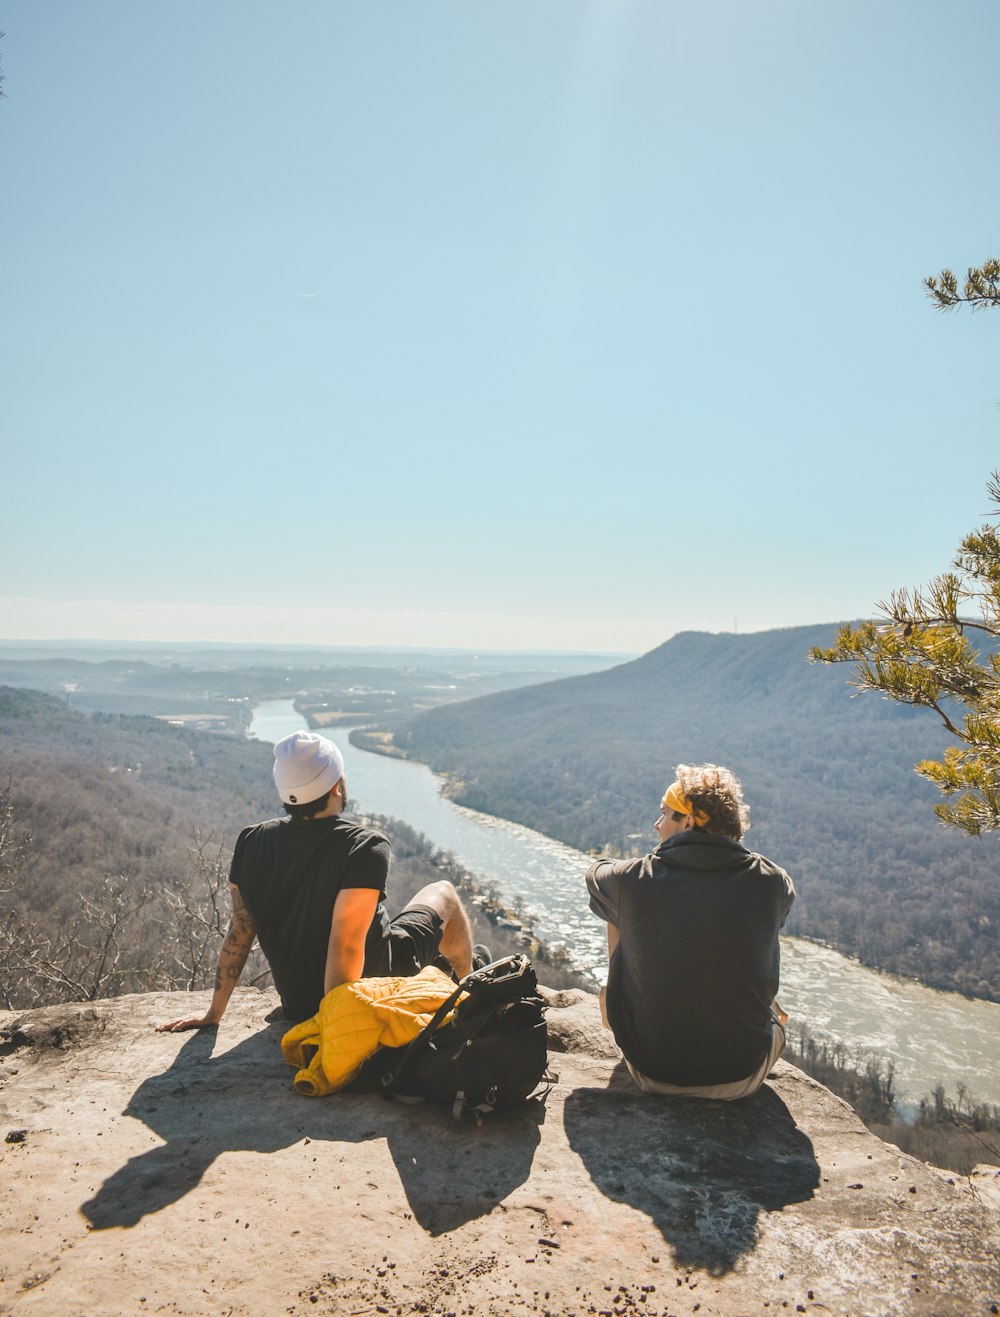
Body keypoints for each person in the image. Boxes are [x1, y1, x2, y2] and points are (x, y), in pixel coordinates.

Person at [158, 730, 474, 1032]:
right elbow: (346, 945)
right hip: (373, 989)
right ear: (336, 786)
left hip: (298, 1004)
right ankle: (470, 987)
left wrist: (214, 1012)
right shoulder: (363, 846)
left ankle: (461, 980)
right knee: (443, 892)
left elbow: (241, 928)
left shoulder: (251, 841)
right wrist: (333, 1030)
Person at [586, 763, 794, 1100]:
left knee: (616, 907)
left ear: (689, 822)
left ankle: (626, 1002)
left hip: (651, 1070)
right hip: (742, 1076)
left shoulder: (632, 881)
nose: (657, 824)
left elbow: (594, 875)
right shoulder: (773, 882)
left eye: (665, 814)